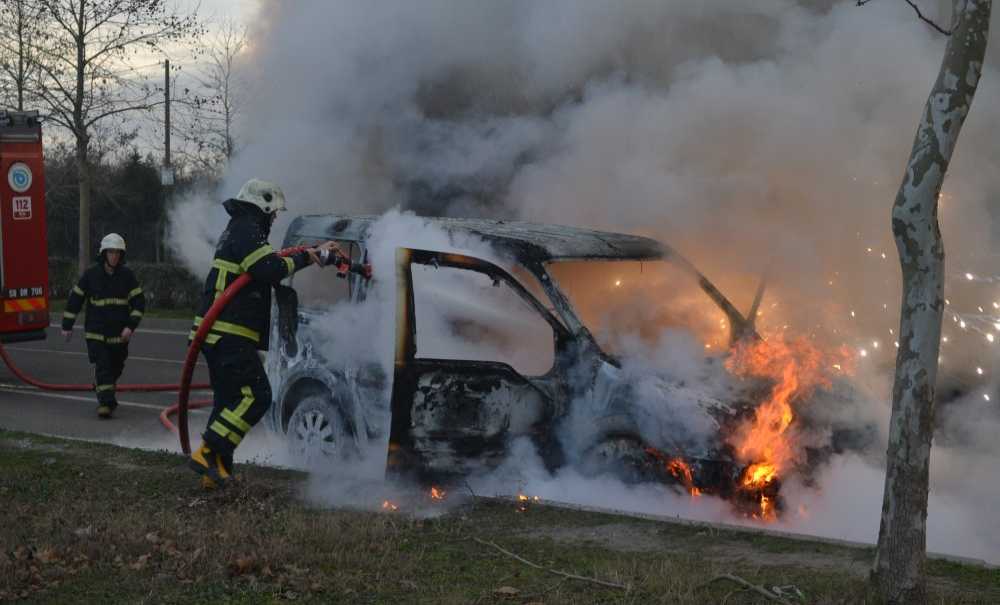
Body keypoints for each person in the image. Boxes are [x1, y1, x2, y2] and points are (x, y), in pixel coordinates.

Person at [188, 178, 338, 489]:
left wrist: (312, 254)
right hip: (227, 332)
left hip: (220, 333)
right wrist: (307, 257)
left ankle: (215, 474)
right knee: (258, 396)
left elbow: (268, 263)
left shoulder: (240, 229)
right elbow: (269, 269)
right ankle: (208, 451)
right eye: (273, 214)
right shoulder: (246, 229)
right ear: (263, 206)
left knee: (228, 401)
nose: (274, 220)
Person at [61, 233, 145, 418]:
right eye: (111, 252)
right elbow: (76, 298)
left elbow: (139, 303)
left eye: (117, 252)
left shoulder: (127, 276)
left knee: (116, 367)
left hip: (119, 334)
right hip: (96, 333)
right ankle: (106, 404)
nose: (114, 256)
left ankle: (103, 388)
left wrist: (130, 327)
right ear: (104, 253)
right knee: (104, 366)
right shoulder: (91, 275)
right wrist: (67, 325)